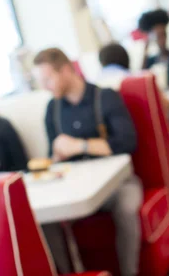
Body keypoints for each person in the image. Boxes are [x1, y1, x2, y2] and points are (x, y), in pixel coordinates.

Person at [32, 47, 142, 276]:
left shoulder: (105, 97)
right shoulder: (52, 109)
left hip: (118, 184)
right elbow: (53, 157)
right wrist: (56, 156)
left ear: (64, 70)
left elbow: (127, 143)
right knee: (44, 220)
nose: (45, 87)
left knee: (127, 207)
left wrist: (79, 145)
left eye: (48, 79)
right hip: (74, 187)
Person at [98, 42, 169, 151]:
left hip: (119, 150)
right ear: (126, 60)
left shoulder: (95, 88)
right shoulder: (137, 81)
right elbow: (167, 109)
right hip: (152, 146)